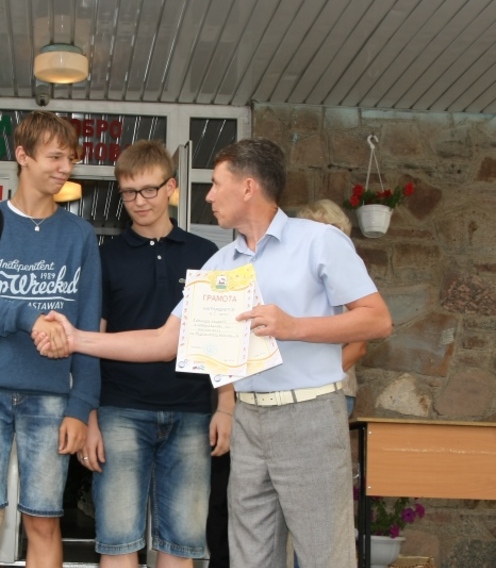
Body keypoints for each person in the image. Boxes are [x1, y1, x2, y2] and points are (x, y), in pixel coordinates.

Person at [34, 138, 392, 568]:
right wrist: (76, 339)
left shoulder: (319, 241)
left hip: (309, 416)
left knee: (323, 556)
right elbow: (164, 341)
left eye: (216, 184)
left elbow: (377, 320)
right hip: (249, 420)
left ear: (247, 187)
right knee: (249, 557)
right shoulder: (221, 264)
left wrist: (294, 326)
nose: (207, 196)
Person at [0, 111, 101, 568]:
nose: (65, 168)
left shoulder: (80, 234)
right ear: (23, 156)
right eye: (54, 157)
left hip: (52, 396)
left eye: (70, 159)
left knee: (44, 521)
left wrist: (80, 406)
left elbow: (88, 328)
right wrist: (28, 317)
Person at [84, 141, 228, 568]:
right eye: (129, 192)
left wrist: (227, 408)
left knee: (181, 545)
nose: (139, 201)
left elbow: (223, 339)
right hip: (119, 411)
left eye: (149, 190)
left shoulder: (207, 255)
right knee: (118, 541)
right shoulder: (104, 257)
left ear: (171, 187)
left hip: (192, 413)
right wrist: (88, 417)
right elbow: (92, 340)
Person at [296, 199, 367, 416]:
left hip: (333, 389)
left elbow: (359, 345)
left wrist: (317, 380)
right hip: (292, 390)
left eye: (329, 229)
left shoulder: (349, 274)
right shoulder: (295, 273)